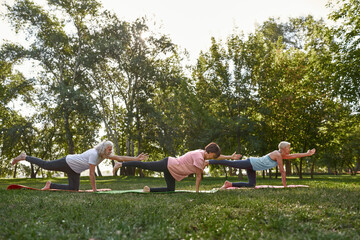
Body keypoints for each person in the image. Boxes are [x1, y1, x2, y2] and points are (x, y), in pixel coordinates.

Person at [11, 140, 148, 191]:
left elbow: (120, 157)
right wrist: (94, 189)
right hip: (67, 162)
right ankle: (25, 157)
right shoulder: (95, 154)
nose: (111, 151)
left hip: (74, 170)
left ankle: (50, 185)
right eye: (109, 149)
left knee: (73, 188)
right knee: (46, 165)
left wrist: (136, 158)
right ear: (103, 149)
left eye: (111, 149)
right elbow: (91, 173)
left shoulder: (104, 155)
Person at [112, 142, 242, 193]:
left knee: (170, 189)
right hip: (168, 164)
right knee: (145, 165)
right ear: (209, 152)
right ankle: (121, 164)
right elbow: (198, 175)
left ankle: (149, 190)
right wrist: (197, 192)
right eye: (213, 155)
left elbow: (217, 157)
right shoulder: (199, 156)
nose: (213, 158)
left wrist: (230, 156)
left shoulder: (203, 154)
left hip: (172, 170)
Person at [206, 141, 316, 188]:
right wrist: (285, 186)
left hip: (252, 167)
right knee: (230, 163)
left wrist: (307, 154)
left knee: (251, 185)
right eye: (288, 147)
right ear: (283, 148)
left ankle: (230, 184)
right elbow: (282, 171)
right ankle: (208, 161)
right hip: (250, 162)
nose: (289, 149)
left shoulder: (280, 155)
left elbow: (293, 156)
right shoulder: (277, 154)